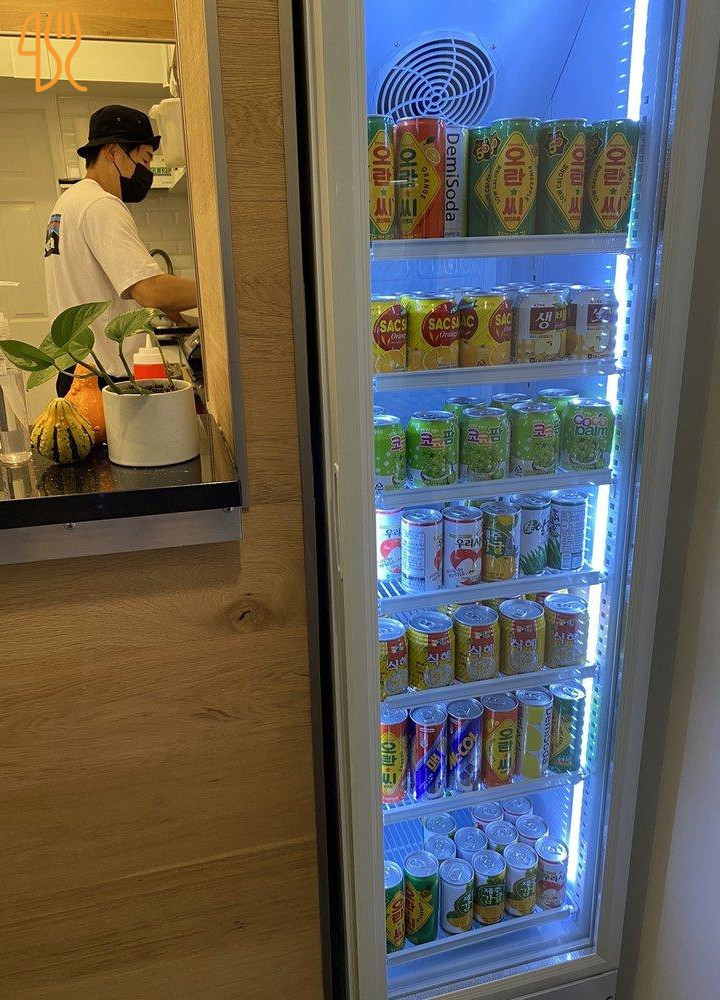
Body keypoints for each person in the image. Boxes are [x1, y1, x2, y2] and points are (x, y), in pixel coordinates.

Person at [44, 105, 197, 392]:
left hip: (75, 371)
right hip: (105, 376)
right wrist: (219, 292)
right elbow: (150, 291)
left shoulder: (67, 203)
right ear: (113, 152)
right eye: (145, 159)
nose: (146, 171)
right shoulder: (101, 205)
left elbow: (95, 287)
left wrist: (173, 307)